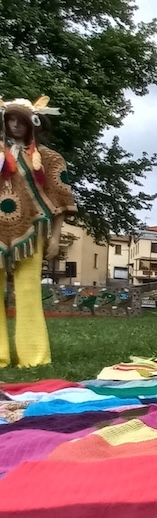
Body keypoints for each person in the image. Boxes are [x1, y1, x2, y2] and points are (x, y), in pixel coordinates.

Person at [0, 96, 75, 367]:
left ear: (32, 123)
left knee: (29, 291)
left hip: (32, 233)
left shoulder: (49, 159)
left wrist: (55, 236)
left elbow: (61, 201)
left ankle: (32, 357)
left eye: (20, 120)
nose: (15, 125)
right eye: (10, 119)